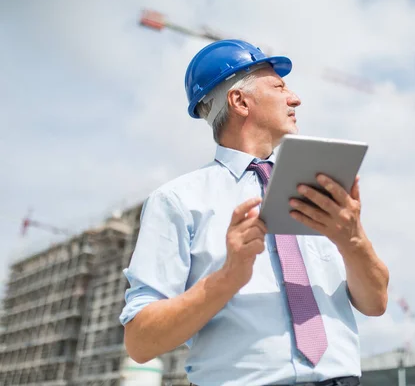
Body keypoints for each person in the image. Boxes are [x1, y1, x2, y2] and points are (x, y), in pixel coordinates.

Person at [119, 39, 390, 386]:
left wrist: (353, 240)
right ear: (240, 101)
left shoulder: (316, 187)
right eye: (279, 86)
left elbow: (375, 303)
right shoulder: (177, 201)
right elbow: (140, 342)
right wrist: (229, 276)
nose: (295, 98)